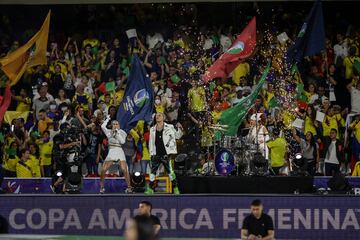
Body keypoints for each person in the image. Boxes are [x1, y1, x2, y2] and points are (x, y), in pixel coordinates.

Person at [145, 112, 183, 194]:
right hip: (156, 154)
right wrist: (151, 153)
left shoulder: (170, 127)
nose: (157, 117)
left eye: (159, 115)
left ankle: (176, 188)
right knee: (152, 172)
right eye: (156, 116)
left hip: (166, 154)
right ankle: (150, 189)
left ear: (163, 118)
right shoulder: (152, 129)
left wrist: (179, 128)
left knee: (170, 172)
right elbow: (151, 142)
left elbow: (178, 136)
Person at [100, 116, 131, 193]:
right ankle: (102, 187)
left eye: (117, 124)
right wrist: (107, 119)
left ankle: (129, 188)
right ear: (111, 125)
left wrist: (117, 133)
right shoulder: (108, 132)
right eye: (114, 124)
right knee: (103, 170)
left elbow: (122, 142)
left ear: (119, 125)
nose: (115, 125)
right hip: (111, 152)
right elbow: (102, 126)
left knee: (125, 170)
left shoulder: (122, 132)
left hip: (119, 151)